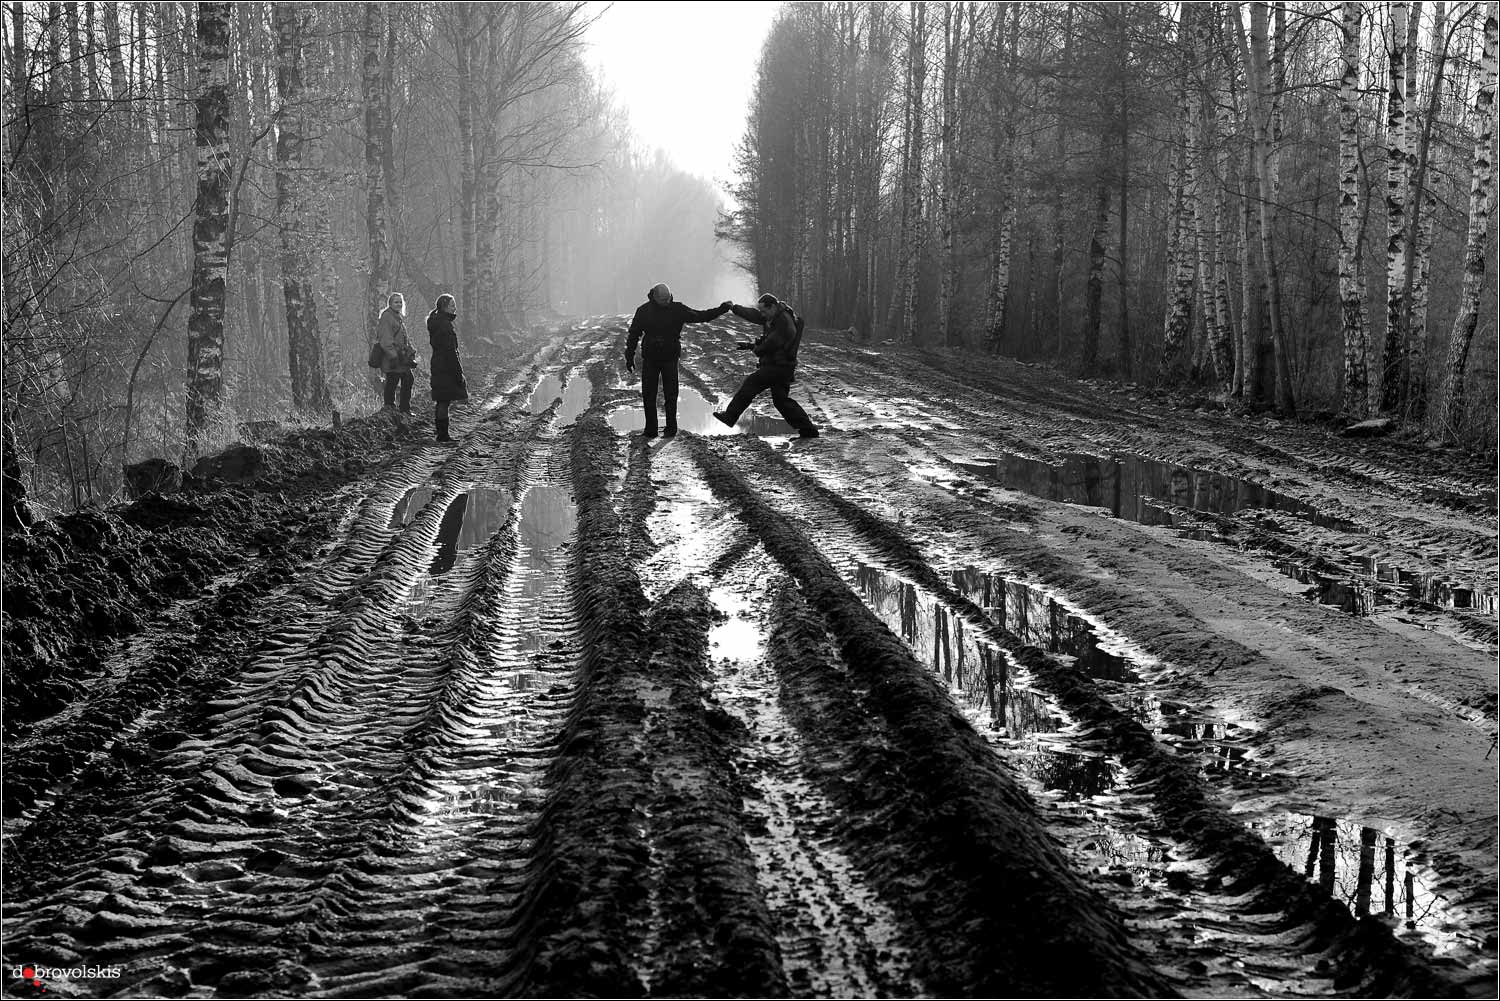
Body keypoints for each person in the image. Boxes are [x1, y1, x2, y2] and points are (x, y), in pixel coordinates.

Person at [625, 283, 731, 438]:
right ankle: (651, 430)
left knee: (671, 394)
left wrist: (722, 309)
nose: (666, 302)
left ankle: (671, 429)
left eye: (667, 299)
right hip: (651, 358)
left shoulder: (677, 309)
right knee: (649, 395)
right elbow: (633, 334)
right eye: (663, 300)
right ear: (654, 297)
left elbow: (701, 316)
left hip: (670, 357)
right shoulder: (643, 311)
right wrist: (629, 356)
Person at [714, 293, 819, 438]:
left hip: (778, 366)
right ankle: (808, 430)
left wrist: (756, 349)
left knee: (751, 383)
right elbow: (754, 315)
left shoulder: (784, 322)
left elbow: (772, 343)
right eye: (761, 311)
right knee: (781, 401)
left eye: (764, 311)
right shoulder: (775, 316)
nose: (762, 315)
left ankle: (730, 416)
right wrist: (734, 308)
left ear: (773, 307)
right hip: (783, 366)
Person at [427, 293, 468, 445]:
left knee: (442, 400)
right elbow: (450, 351)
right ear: (444, 307)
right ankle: (442, 435)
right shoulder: (444, 325)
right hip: (445, 366)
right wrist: (458, 372)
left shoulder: (437, 322)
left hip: (439, 364)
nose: (454, 308)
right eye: (452, 305)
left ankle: (442, 434)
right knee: (443, 401)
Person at [376, 292, 417, 413]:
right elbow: (385, 339)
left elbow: (404, 337)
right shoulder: (387, 317)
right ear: (390, 304)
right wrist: (393, 356)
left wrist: (411, 351)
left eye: (400, 302)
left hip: (401, 357)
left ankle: (404, 408)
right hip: (392, 357)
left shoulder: (397, 317)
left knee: (407, 379)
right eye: (396, 302)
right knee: (393, 382)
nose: (399, 304)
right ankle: (390, 408)